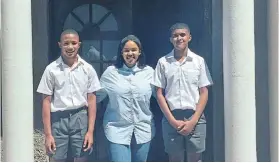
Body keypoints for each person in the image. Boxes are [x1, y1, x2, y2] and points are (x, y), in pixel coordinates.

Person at [151, 23, 213, 162]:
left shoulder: (198, 61)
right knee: (174, 157)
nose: (179, 38)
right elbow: (159, 93)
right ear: (170, 39)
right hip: (172, 115)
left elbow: (204, 91)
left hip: (195, 115)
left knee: (195, 157)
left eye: (182, 35)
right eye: (175, 36)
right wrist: (171, 120)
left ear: (189, 37)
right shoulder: (163, 62)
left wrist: (194, 120)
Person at [37, 29, 101, 161]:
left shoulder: (87, 69)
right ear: (60, 45)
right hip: (58, 120)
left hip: (80, 117)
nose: (70, 47)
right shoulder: (51, 70)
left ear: (79, 44)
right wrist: (48, 134)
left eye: (74, 43)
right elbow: (46, 102)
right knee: (57, 158)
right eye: (66, 43)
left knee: (81, 157)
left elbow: (92, 100)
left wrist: (90, 131)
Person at [96, 35, 155, 162]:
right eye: (126, 50)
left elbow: (161, 96)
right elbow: (95, 97)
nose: (130, 53)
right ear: (121, 53)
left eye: (133, 50)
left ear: (139, 52)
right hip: (117, 129)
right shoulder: (111, 73)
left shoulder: (149, 72)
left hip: (143, 129)